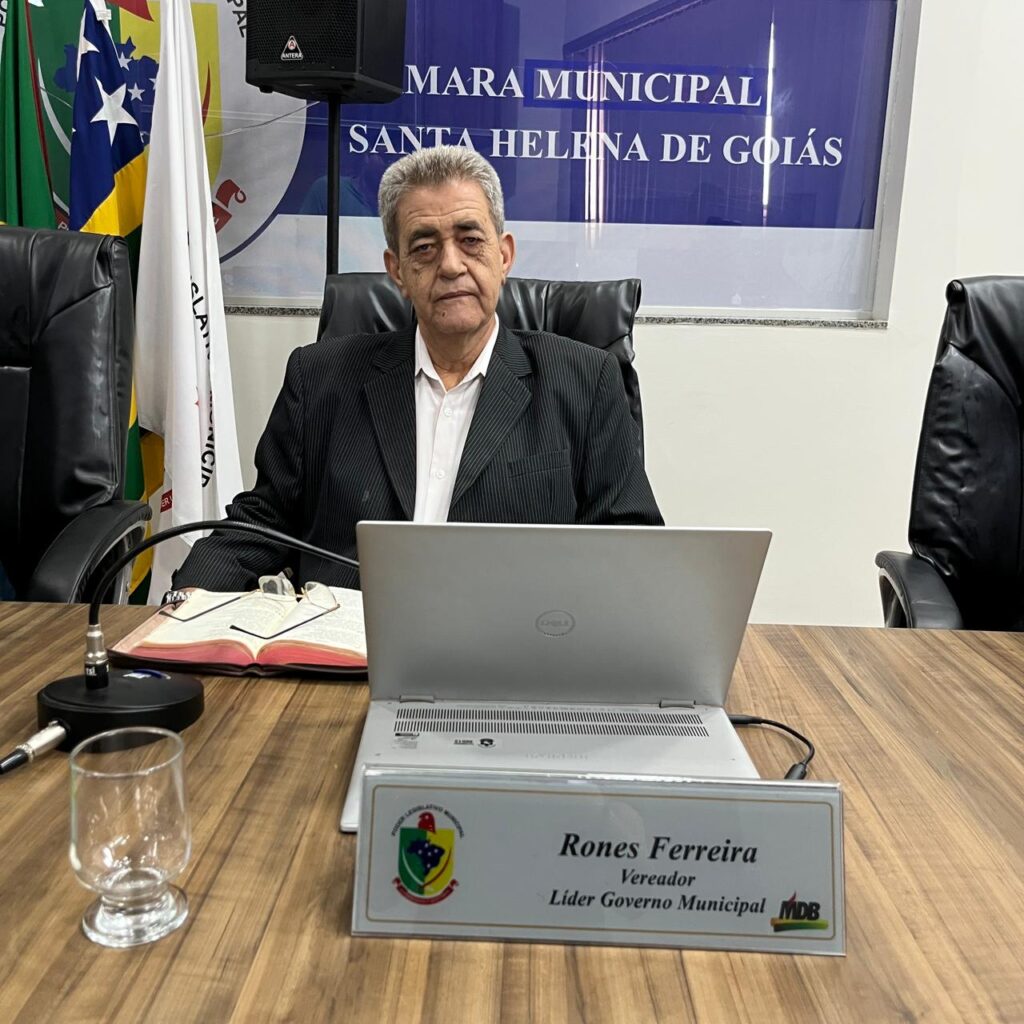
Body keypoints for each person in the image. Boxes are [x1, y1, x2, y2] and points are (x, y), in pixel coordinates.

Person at [173, 146, 662, 591]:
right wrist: (181, 606)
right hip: (346, 645)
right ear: (398, 271)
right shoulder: (319, 378)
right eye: (424, 247)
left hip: (511, 644)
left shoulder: (585, 382)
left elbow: (631, 550)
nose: (450, 265)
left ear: (504, 255)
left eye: (470, 240)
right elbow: (262, 523)